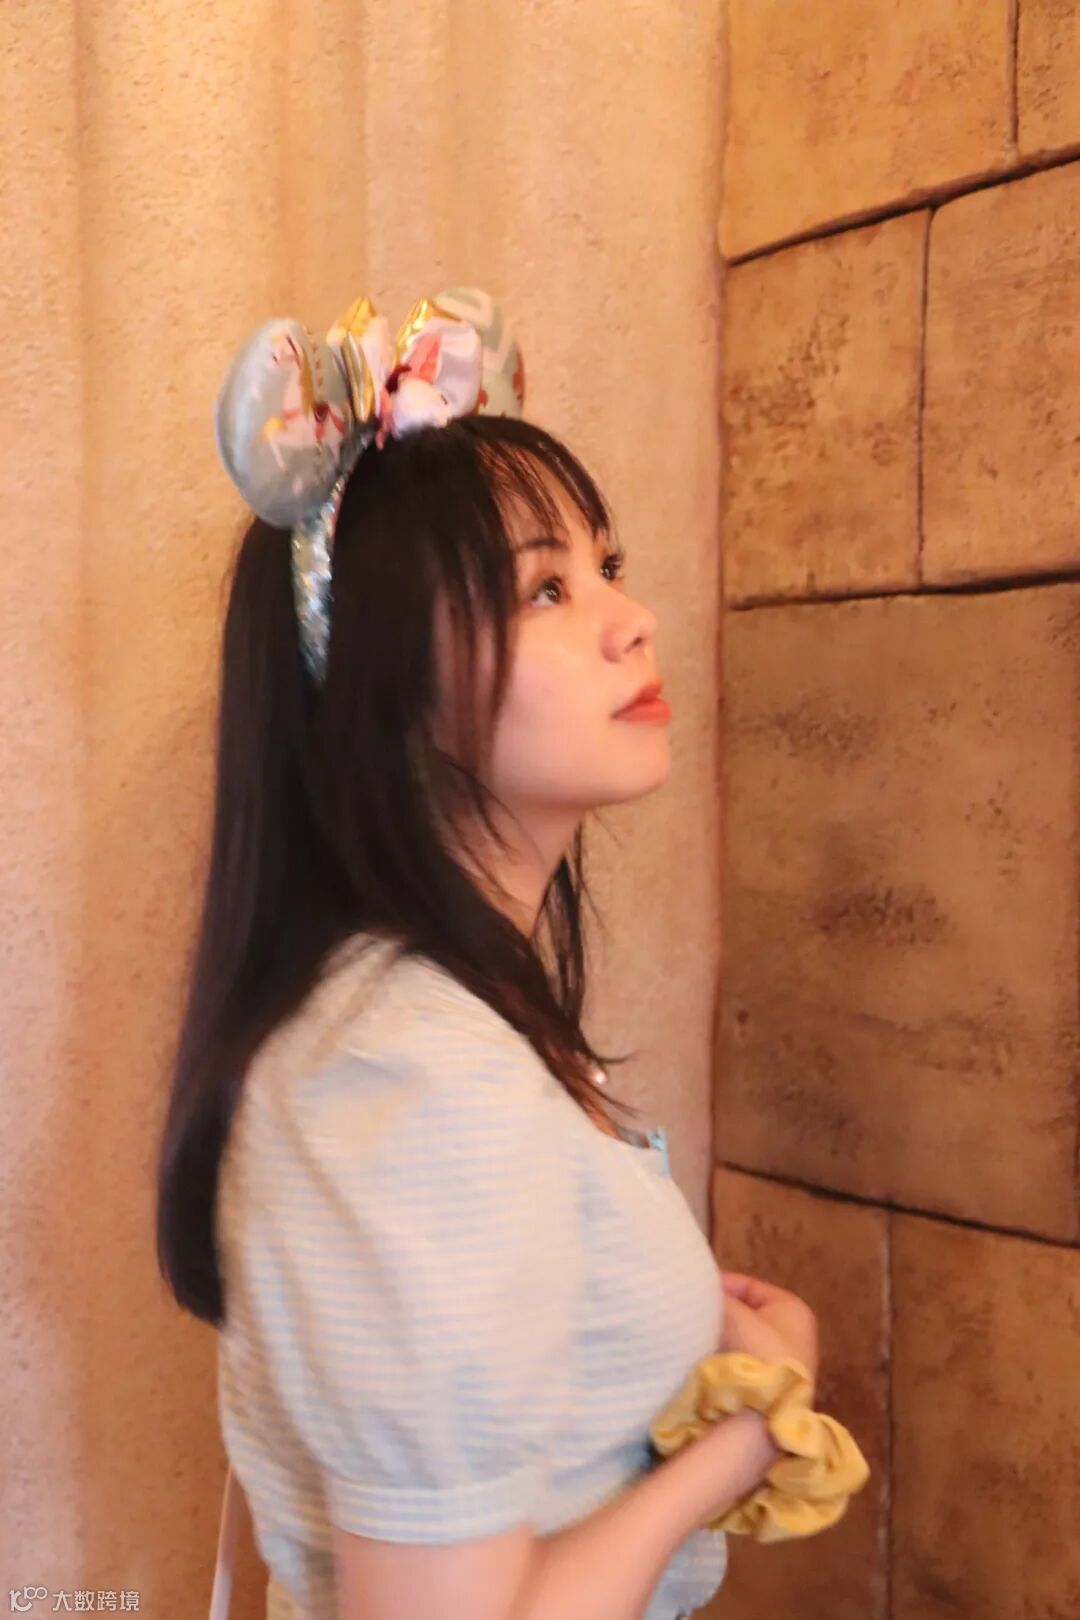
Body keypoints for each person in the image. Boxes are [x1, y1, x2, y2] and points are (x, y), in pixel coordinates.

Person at [155, 288, 818, 1620]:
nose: (632, 620)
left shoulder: (444, 1023)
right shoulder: (407, 1077)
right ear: (394, 687)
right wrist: (750, 1436)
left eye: (608, 568)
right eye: (546, 589)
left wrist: (682, 1312)